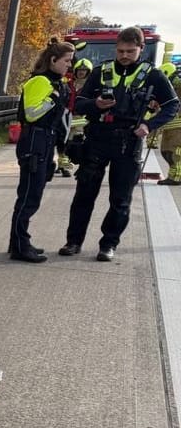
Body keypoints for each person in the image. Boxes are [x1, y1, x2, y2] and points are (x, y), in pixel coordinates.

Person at [59, 26, 179, 261]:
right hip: (97, 138)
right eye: (121, 50)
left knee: (120, 199)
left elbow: (172, 105)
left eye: (130, 51)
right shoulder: (100, 71)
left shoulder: (153, 75)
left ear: (141, 49)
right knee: (84, 194)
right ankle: (73, 241)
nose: (124, 55)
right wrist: (96, 104)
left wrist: (149, 125)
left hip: (129, 141)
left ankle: (108, 244)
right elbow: (79, 103)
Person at [9, 39, 74, 262]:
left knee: (32, 195)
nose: (69, 66)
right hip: (34, 141)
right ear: (53, 60)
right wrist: (52, 98)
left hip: (46, 142)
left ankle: (18, 242)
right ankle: (20, 245)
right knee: (28, 197)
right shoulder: (40, 81)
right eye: (66, 61)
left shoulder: (58, 82)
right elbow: (31, 114)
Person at [56, 57, 93, 178]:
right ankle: (63, 166)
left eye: (84, 70)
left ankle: (77, 165)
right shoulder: (68, 82)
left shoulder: (91, 86)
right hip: (66, 116)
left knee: (77, 144)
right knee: (63, 142)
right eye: (79, 69)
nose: (81, 72)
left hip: (82, 119)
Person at [156, 62, 181, 185]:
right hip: (170, 125)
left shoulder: (179, 85)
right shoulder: (171, 88)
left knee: (174, 152)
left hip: (178, 126)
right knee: (166, 152)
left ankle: (176, 178)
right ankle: (173, 176)